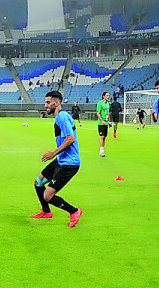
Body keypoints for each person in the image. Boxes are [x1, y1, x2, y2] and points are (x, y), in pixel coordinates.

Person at [29, 90, 83, 227]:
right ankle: (46, 212)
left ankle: (74, 211)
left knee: (47, 195)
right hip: (62, 160)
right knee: (38, 182)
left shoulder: (62, 117)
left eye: (48, 102)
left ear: (57, 102)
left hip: (69, 164)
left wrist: (53, 153)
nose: (45, 105)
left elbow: (71, 139)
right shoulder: (60, 117)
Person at [95, 91, 111, 157]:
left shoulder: (108, 104)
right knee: (102, 136)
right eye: (107, 95)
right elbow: (98, 113)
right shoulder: (100, 103)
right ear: (103, 96)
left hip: (106, 122)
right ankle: (101, 151)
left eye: (108, 95)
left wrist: (109, 121)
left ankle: (102, 150)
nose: (108, 97)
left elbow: (108, 113)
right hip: (101, 123)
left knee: (104, 137)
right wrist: (102, 121)